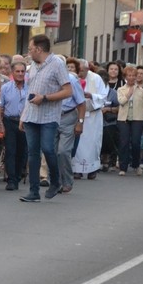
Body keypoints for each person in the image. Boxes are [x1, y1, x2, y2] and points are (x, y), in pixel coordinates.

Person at [18, 35, 72, 202]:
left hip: (49, 115)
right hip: (31, 115)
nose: (29, 52)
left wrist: (45, 98)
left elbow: (68, 91)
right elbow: (30, 91)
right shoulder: (33, 65)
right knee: (33, 153)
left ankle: (55, 181)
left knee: (48, 149)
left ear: (38, 49)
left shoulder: (57, 64)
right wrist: (23, 115)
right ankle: (34, 191)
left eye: (30, 49)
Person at [0, 61, 29, 191]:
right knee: (10, 150)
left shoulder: (30, 88)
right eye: (17, 71)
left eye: (22, 71)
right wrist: (0, 123)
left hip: (25, 122)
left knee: (22, 151)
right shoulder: (6, 88)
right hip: (9, 121)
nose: (20, 74)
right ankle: (11, 179)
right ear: (12, 73)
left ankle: (18, 174)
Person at [72, 60, 107, 180]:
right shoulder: (74, 78)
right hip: (77, 115)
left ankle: (92, 169)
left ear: (87, 69)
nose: (80, 73)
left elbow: (103, 96)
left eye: (82, 71)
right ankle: (77, 169)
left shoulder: (96, 78)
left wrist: (91, 96)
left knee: (93, 143)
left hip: (92, 116)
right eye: (78, 70)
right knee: (78, 144)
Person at [56, 59, 85, 193]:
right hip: (52, 116)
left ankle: (67, 181)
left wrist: (80, 122)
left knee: (63, 151)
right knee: (50, 150)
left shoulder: (72, 80)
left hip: (68, 116)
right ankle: (55, 181)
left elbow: (81, 103)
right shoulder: (49, 79)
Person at [116, 66, 143, 176]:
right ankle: (123, 167)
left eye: (133, 76)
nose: (131, 78)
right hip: (123, 119)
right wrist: (129, 93)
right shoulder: (121, 89)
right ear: (125, 77)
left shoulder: (140, 90)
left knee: (135, 142)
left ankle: (136, 164)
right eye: (129, 76)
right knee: (124, 142)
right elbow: (121, 101)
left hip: (137, 118)